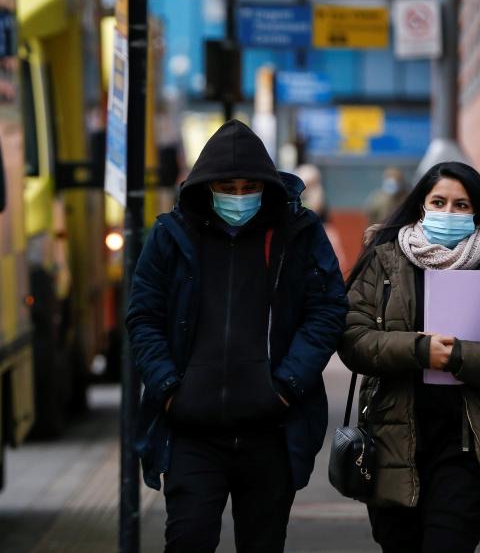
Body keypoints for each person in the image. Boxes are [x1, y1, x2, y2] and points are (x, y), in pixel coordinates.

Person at [127, 120, 347, 553]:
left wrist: (286, 387)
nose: (240, 196)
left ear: (267, 186)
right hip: (192, 431)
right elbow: (143, 315)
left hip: (271, 432)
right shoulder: (170, 237)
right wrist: (169, 388)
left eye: (250, 186)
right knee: (187, 540)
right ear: (206, 186)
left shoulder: (298, 234)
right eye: (228, 185)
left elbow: (327, 310)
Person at [339, 161, 480, 553]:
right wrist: (418, 350)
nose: (448, 213)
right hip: (393, 442)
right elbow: (353, 339)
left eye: (461, 205)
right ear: (421, 206)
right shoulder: (383, 261)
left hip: (470, 445)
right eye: (439, 202)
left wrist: (458, 356)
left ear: (477, 211)